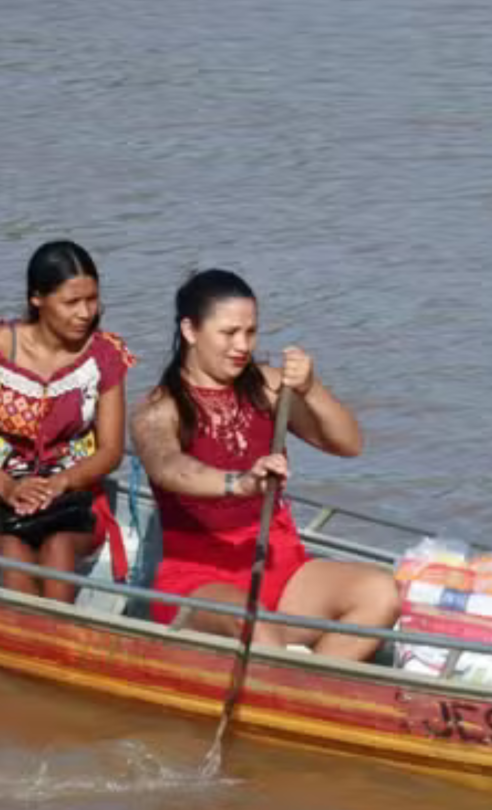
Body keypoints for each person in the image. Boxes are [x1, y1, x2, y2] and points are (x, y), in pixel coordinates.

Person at [131, 269, 397, 660]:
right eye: (229, 332)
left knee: (381, 592)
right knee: (257, 630)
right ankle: (295, 695)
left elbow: (348, 444)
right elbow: (169, 468)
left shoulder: (269, 386)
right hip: (199, 579)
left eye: (251, 332)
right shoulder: (158, 409)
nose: (242, 345)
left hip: (281, 564)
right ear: (190, 330)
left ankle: (309, 692)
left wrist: (311, 388)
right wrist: (239, 483)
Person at [0, 240, 135, 604]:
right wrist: (7, 488)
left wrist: (59, 483)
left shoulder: (104, 355)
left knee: (59, 549)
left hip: (74, 496)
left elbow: (111, 450)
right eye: (71, 302)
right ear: (37, 299)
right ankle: (41, 642)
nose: (85, 313)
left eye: (92, 300)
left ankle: (50, 641)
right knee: (14, 552)